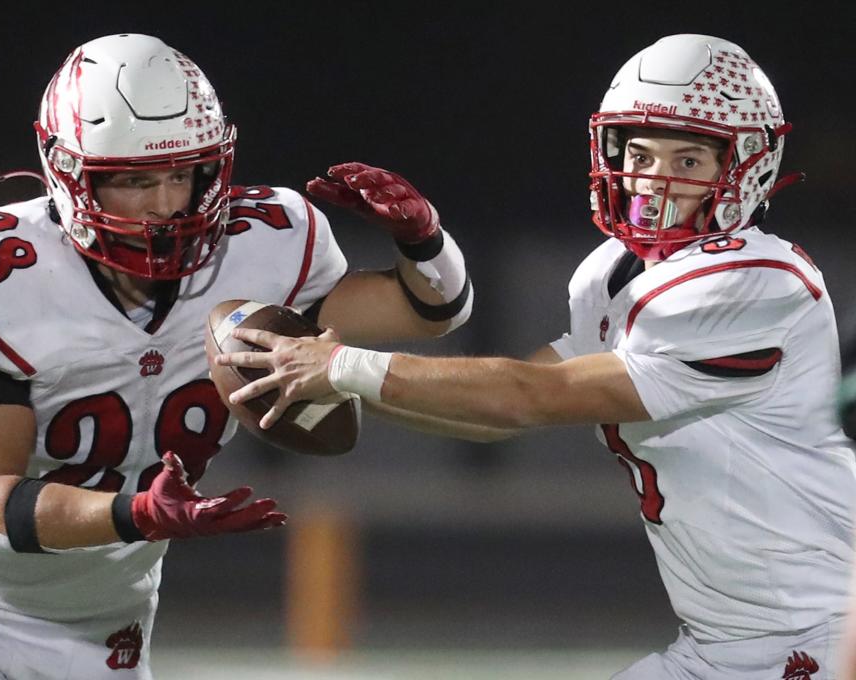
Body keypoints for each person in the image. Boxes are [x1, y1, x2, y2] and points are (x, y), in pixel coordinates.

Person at [217, 34, 856, 678]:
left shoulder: (753, 282)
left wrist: (344, 366)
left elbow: (531, 394)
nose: (653, 179)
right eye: (638, 153)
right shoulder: (613, 271)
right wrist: (349, 385)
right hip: (724, 643)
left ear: (748, 167)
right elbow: (495, 417)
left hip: (818, 637)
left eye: (688, 160)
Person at [0, 33, 473, 679]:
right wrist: (139, 511)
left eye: (182, 173)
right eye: (134, 180)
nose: (166, 203)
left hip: (108, 611)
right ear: (67, 171)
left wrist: (423, 240)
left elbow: (429, 312)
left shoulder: (265, 246)